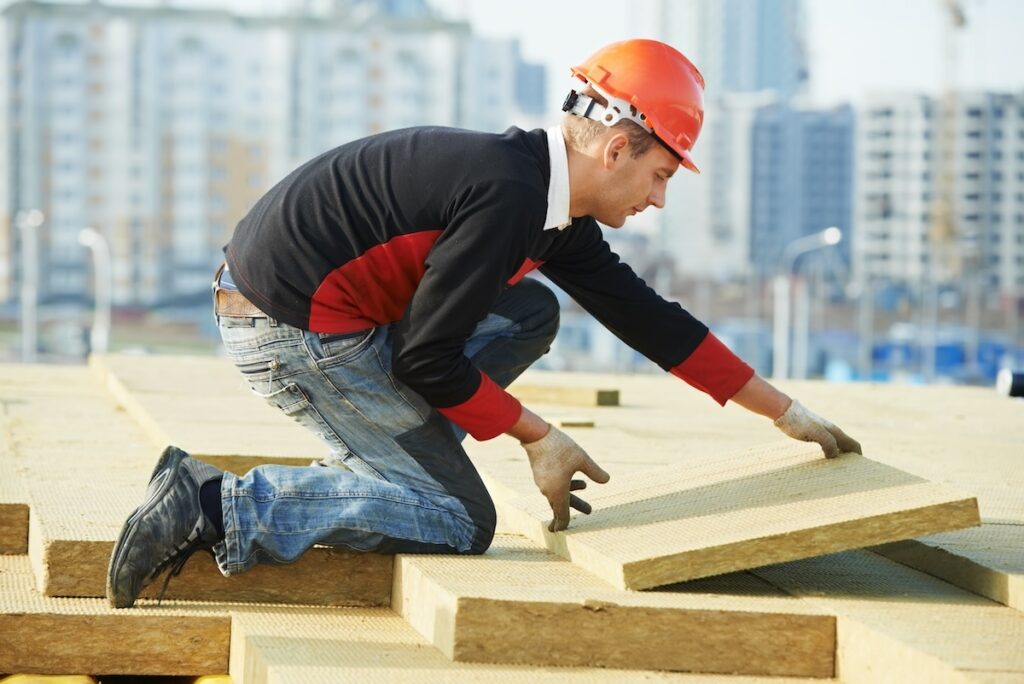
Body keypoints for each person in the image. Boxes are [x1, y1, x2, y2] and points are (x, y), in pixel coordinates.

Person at [107, 39, 861, 609]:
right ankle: (213, 503)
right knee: (460, 521)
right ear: (618, 146)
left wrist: (785, 412)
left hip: (319, 314)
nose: (659, 199)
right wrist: (537, 436)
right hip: (290, 333)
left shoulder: (544, 202)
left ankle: (397, 467)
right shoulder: (507, 197)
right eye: (661, 175)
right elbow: (429, 360)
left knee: (529, 310)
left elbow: (650, 321)